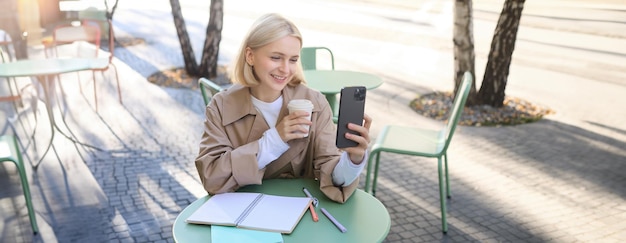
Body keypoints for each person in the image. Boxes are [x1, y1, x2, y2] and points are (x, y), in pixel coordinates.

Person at [194, 13, 372, 203]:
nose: (286, 69)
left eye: (293, 60)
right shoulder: (221, 106)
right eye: (276, 57)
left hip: (303, 212)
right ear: (250, 56)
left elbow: (332, 174)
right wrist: (275, 139)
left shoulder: (315, 103)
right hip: (242, 214)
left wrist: (352, 161)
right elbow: (212, 177)